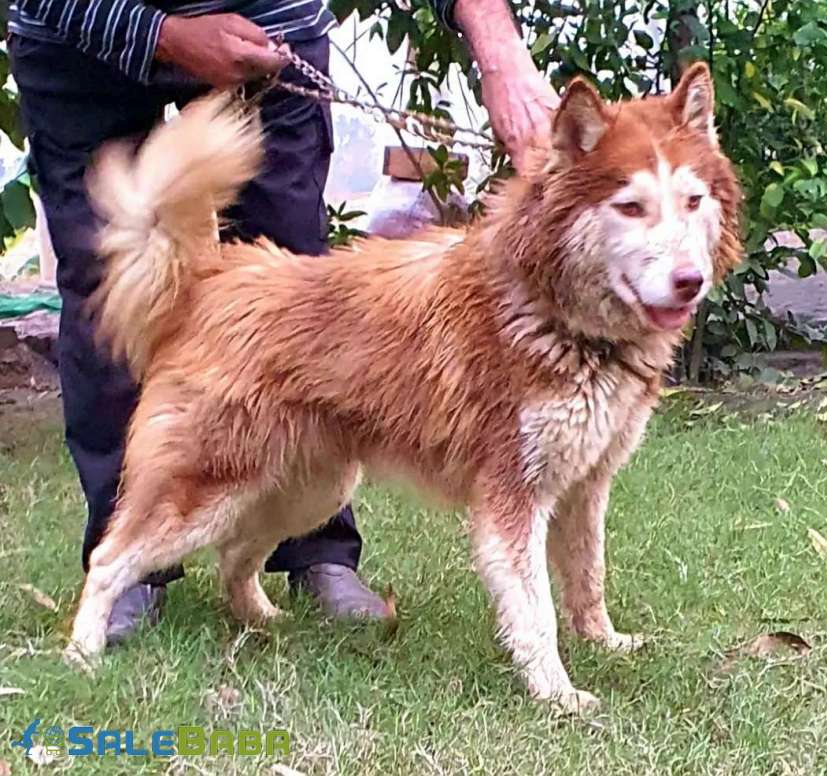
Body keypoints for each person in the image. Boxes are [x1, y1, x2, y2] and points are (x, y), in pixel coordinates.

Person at [7, 0, 558, 642]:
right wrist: (163, 34)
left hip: (271, 28)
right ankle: (129, 564)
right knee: (107, 293)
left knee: (305, 299)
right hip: (85, 34)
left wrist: (503, 59)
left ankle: (311, 555)